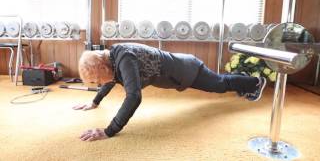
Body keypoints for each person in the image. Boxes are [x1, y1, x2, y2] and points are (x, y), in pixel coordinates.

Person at [73, 43, 266, 141]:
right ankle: (243, 79)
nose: (99, 84)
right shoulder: (113, 59)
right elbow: (111, 80)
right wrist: (95, 101)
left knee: (221, 84)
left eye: (97, 80)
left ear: (103, 68)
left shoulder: (124, 59)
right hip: (180, 69)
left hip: (187, 71)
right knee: (221, 82)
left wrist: (109, 131)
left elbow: (134, 96)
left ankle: (256, 82)